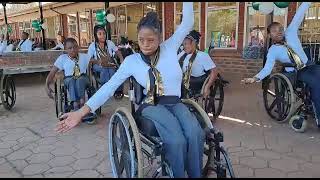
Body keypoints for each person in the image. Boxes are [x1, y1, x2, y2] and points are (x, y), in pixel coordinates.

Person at [55, 2, 204, 178]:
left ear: (160, 37)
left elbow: (187, 22)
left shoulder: (170, 47)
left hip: (175, 102)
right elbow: (108, 88)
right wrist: (81, 112)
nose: (146, 44)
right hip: (151, 105)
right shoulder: (131, 61)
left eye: (151, 40)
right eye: (141, 40)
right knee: (176, 139)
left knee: (195, 132)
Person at [242, 2, 320, 126]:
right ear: (269, 35)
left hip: (309, 65)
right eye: (274, 30)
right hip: (297, 71)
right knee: (317, 82)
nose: (279, 32)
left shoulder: (291, 32)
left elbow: (300, 13)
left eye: (280, 29)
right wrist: (255, 78)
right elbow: (267, 69)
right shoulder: (273, 51)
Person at [45, 38, 95, 124]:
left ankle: (82, 103)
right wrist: (47, 85)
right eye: (70, 48)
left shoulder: (84, 56)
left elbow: (98, 62)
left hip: (83, 78)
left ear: (78, 47)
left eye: (75, 47)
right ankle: (75, 104)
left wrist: (107, 62)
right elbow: (52, 72)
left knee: (79, 79)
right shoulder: (62, 58)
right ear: (65, 49)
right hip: (69, 79)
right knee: (72, 80)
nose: (73, 50)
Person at [178, 30, 218, 98]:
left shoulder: (202, 56)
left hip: (197, 81)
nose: (184, 46)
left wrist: (207, 86)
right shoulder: (182, 54)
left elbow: (214, 71)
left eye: (186, 44)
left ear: (193, 43)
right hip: (183, 79)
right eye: (183, 44)